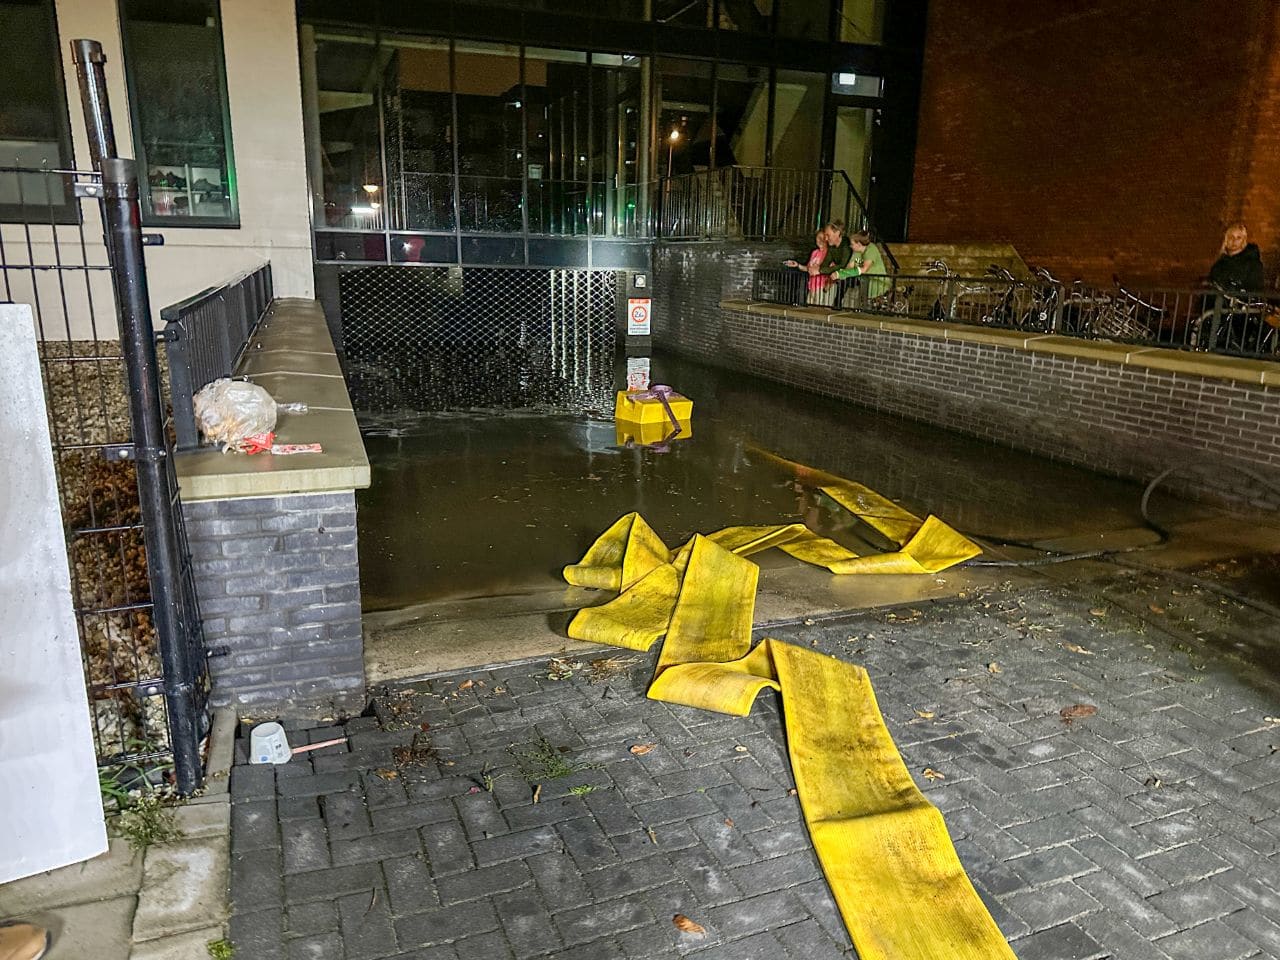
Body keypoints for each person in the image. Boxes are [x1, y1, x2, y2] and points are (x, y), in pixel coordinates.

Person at [835, 230, 890, 304]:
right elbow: (850, 265)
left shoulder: (871, 249)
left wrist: (841, 274)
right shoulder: (857, 251)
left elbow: (864, 269)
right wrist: (842, 274)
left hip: (878, 284)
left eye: (852, 244)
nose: (850, 246)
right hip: (865, 285)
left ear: (859, 244)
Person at [783, 229, 836, 306]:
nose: (820, 240)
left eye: (822, 238)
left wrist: (828, 284)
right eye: (818, 238)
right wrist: (797, 265)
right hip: (812, 286)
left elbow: (833, 269)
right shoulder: (815, 252)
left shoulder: (830, 253)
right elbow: (808, 269)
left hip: (823, 287)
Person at [1208, 223, 1264, 292]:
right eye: (1231, 237)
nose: (1234, 241)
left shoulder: (1252, 263)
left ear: (1244, 240)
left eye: (1238, 238)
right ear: (1226, 240)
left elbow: (1254, 288)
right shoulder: (1220, 264)